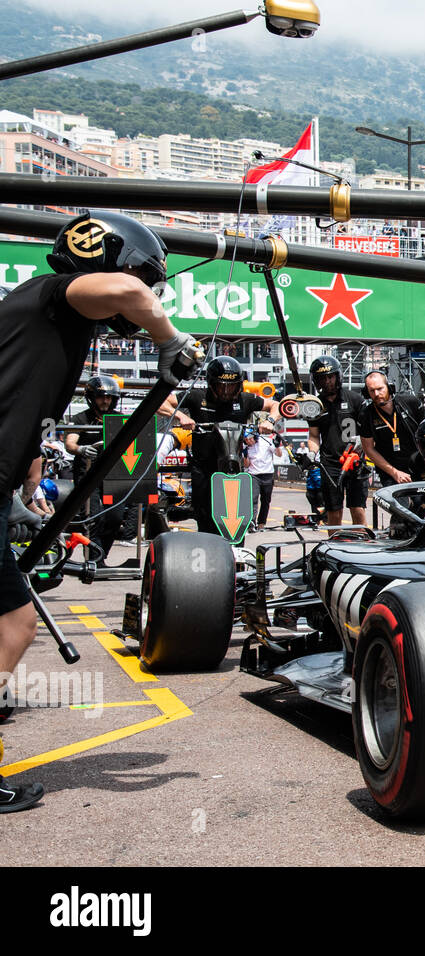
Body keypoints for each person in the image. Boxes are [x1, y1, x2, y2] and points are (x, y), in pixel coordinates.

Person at [0, 212, 201, 812]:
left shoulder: (41, 318)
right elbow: (123, 290)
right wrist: (170, 339)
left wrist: (17, 497)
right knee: (14, 624)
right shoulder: (57, 296)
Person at [172, 357, 279, 535]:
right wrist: (181, 417)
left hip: (233, 470)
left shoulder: (246, 399)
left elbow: (275, 404)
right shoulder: (197, 397)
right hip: (204, 471)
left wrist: (270, 420)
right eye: (222, 386)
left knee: (236, 526)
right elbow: (163, 402)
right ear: (212, 384)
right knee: (205, 523)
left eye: (232, 386)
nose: (227, 391)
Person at [63, 375, 126, 564]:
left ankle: (101, 556)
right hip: (87, 476)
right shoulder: (80, 418)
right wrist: (80, 449)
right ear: (92, 398)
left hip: (113, 476)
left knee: (114, 518)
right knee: (94, 518)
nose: (105, 401)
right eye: (101, 397)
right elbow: (70, 443)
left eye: (109, 397)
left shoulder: (120, 419)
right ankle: (94, 559)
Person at [306, 354, 369, 527]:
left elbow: (368, 429)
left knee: (357, 508)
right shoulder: (315, 405)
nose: (327, 382)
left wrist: (361, 443)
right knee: (334, 511)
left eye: (330, 377)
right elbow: (313, 435)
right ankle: (334, 548)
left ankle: (363, 547)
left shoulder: (355, 399)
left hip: (354, 461)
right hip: (330, 465)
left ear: (337, 376)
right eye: (322, 378)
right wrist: (311, 453)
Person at [357, 370, 424, 487]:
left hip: (419, 464)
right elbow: (368, 449)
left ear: (389, 387)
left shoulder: (410, 402)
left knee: (423, 503)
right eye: (372, 391)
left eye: (380, 389)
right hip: (389, 470)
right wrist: (394, 473)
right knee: (396, 503)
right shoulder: (365, 415)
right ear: (367, 393)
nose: (376, 394)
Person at [242, 416, 281, 532]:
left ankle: (261, 522)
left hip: (268, 475)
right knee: (253, 499)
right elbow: (247, 465)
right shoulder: (247, 447)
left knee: (266, 500)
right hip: (254, 475)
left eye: (250, 439)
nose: (249, 441)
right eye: (246, 440)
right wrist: (244, 455)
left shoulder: (265, 442)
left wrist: (277, 445)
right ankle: (251, 522)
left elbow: (279, 454)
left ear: (254, 437)